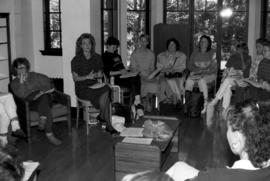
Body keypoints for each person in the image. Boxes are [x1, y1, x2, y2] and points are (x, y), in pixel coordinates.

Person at [167, 101, 270, 181]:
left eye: (228, 128)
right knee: (179, 166)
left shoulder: (217, 177)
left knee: (175, 170)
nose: (226, 133)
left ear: (236, 141)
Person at [71, 33, 118, 134]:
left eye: (89, 43)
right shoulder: (76, 60)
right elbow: (75, 79)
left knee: (107, 88)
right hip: (82, 88)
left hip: (94, 85)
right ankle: (108, 124)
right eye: (84, 43)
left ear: (92, 45)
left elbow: (100, 75)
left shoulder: (97, 57)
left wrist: (98, 74)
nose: (87, 46)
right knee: (105, 94)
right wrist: (87, 76)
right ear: (80, 45)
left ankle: (102, 116)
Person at [10, 57, 61, 145]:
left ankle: (44, 121)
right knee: (44, 104)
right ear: (15, 69)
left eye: (24, 67)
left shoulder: (33, 75)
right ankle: (49, 132)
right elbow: (21, 95)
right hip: (28, 104)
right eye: (20, 68)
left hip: (42, 99)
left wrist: (38, 89)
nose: (23, 70)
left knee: (44, 97)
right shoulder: (14, 83)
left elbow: (46, 81)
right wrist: (22, 83)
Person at [206, 42, 253, 126]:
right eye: (237, 49)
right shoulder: (233, 57)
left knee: (227, 82)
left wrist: (242, 57)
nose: (238, 51)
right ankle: (224, 110)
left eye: (241, 49)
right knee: (227, 84)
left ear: (244, 50)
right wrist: (226, 74)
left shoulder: (248, 58)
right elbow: (227, 69)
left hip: (243, 79)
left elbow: (245, 70)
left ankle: (217, 101)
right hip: (232, 78)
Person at [102, 36, 142, 112]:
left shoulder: (117, 56)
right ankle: (135, 103)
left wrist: (126, 71)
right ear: (108, 45)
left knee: (136, 76)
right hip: (114, 79)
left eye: (116, 47)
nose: (115, 48)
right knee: (133, 81)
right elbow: (108, 73)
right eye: (113, 46)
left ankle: (135, 102)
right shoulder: (105, 57)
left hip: (123, 76)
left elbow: (122, 67)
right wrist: (120, 72)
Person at [185, 35, 217, 114]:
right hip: (197, 73)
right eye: (201, 41)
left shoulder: (212, 53)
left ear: (208, 43)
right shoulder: (195, 52)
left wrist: (203, 73)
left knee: (201, 80)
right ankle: (188, 103)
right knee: (189, 80)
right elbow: (189, 65)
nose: (203, 43)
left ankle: (205, 104)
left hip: (210, 75)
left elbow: (214, 67)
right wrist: (195, 71)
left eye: (205, 41)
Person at [130, 34, 159, 113]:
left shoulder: (151, 54)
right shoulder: (134, 54)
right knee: (143, 83)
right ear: (139, 42)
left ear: (148, 43)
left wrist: (151, 75)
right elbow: (133, 68)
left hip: (149, 76)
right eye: (141, 41)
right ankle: (145, 101)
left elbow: (152, 68)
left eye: (145, 41)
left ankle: (146, 99)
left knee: (156, 84)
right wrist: (142, 75)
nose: (143, 43)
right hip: (138, 76)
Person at [156, 38, 186, 105]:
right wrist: (167, 70)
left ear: (176, 46)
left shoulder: (182, 55)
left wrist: (173, 70)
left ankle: (172, 99)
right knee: (163, 82)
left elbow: (183, 67)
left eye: (173, 45)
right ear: (167, 46)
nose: (171, 46)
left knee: (174, 80)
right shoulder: (161, 56)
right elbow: (159, 67)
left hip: (177, 75)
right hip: (163, 75)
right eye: (170, 45)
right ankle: (173, 99)